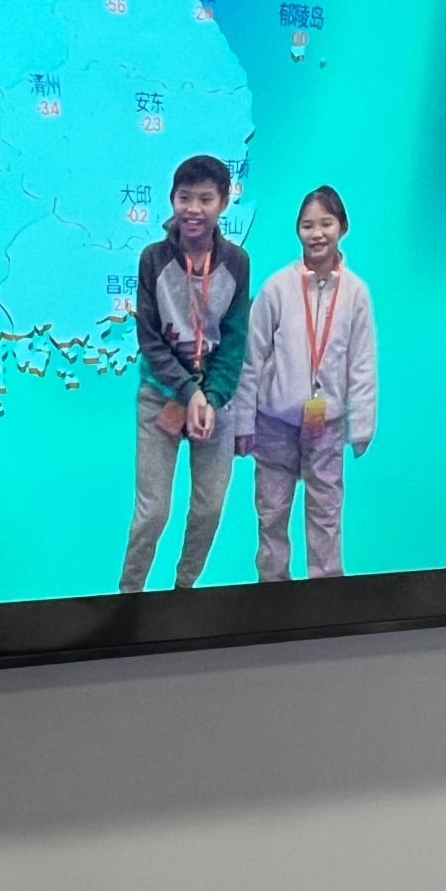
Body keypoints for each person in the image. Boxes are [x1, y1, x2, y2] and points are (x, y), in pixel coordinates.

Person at [228, 185, 378, 581]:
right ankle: (273, 590)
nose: (317, 233)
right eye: (308, 225)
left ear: (342, 227)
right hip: (274, 424)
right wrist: (242, 424)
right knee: (271, 514)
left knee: (326, 514)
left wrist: (362, 425)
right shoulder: (277, 287)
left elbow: (362, 364)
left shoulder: (356, 293)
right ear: (297, 231)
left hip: (327, 426)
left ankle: (326, 595)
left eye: (326, 223)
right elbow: (251, 360)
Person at [119, 155, 252, 592]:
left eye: (205, 199)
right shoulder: (153, 259)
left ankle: (183, 590)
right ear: (172, 199)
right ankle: (129, 594)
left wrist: (210, 397)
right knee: (153, 511)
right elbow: (150, 338)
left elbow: (234, 339)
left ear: (224, 203)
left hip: (216, 401)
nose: (193, 209)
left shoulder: (237, 262)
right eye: (185, 197)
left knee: (208, 509)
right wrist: (186, 391)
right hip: (161, 396)